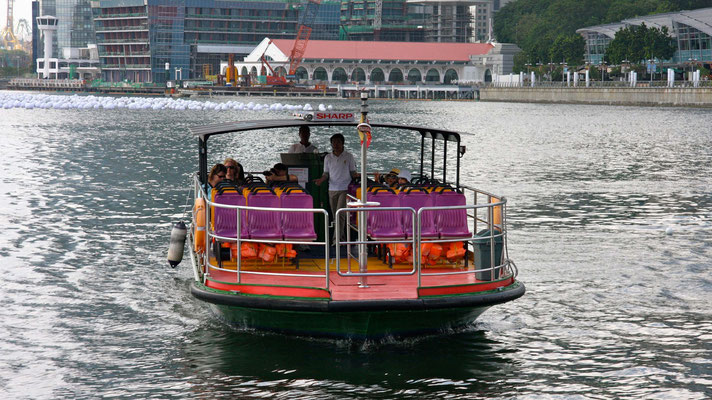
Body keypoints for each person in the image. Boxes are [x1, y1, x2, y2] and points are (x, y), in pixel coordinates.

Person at [314, 133, 359, 243]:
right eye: (334, 142)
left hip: (345, 189)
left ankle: (336, 240)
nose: (336, 144)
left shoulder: (349, 156)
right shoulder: (328, 157)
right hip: (332, 189)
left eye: (338, 142)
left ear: (343, 143)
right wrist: (320, 180)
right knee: (336, 216)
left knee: (340, 214)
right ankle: (341, 238)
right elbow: (326, 173)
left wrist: (360, 176)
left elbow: (353, 173)